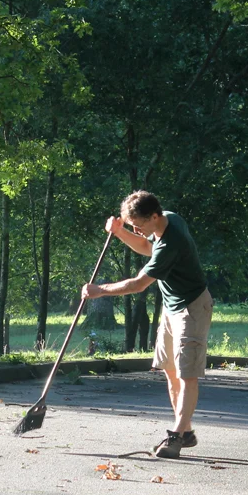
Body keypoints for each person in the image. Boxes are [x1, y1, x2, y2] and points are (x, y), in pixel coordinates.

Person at [82, 190, 213, 458]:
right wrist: (120, 232)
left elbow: (138, 284)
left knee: (187, 374)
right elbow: (145, 247)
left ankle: (176, 437)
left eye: (139, 225)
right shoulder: (168, 220)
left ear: (154, 216)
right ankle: (186, 432)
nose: (138, 231)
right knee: (170, 370)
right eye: (134, 226)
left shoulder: (171, 243)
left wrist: (100, 290)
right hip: (171, 308)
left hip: (192, 308)